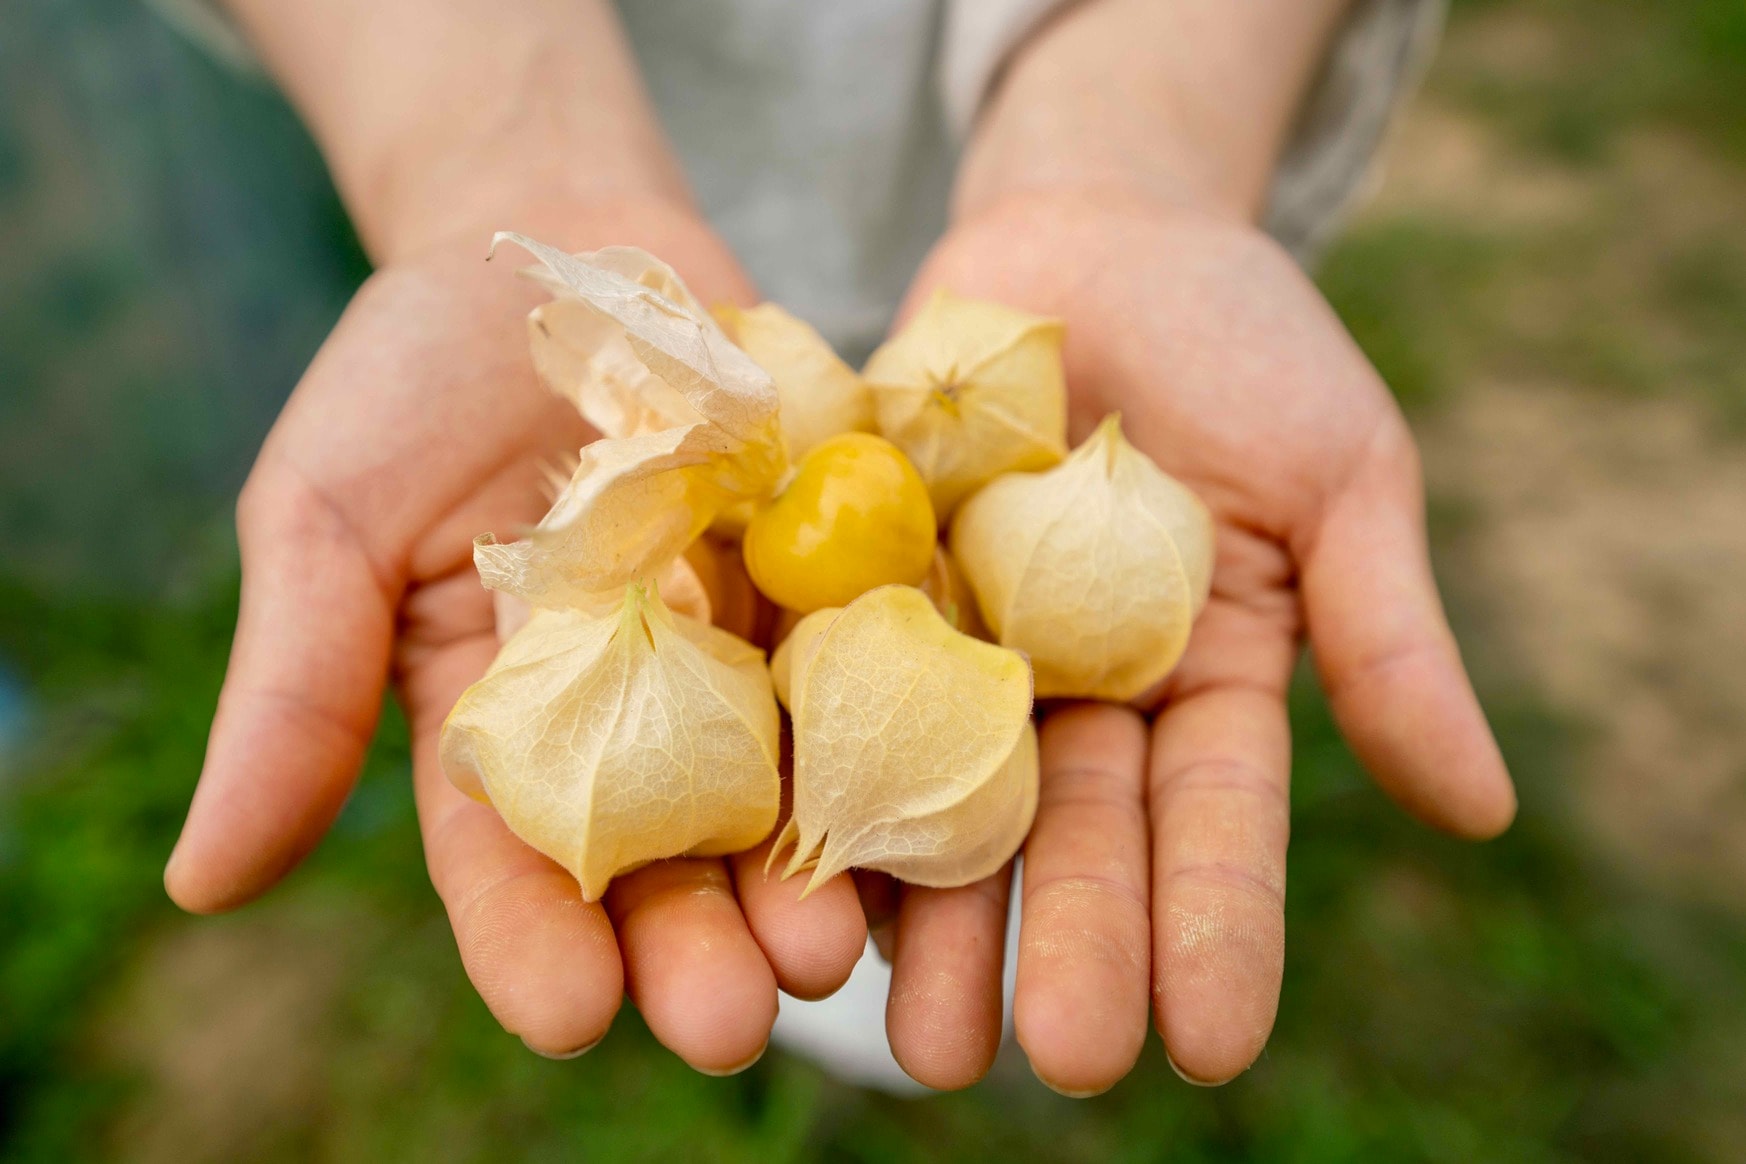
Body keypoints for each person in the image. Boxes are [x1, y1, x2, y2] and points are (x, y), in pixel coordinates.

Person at [160, 0, 1517, 1096]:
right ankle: (860, 1016)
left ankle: (884, 1017)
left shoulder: (830, 502)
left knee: (929, 929)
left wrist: (1133, 146)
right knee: (845, 934)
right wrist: (491, 170)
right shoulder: (739, 509)